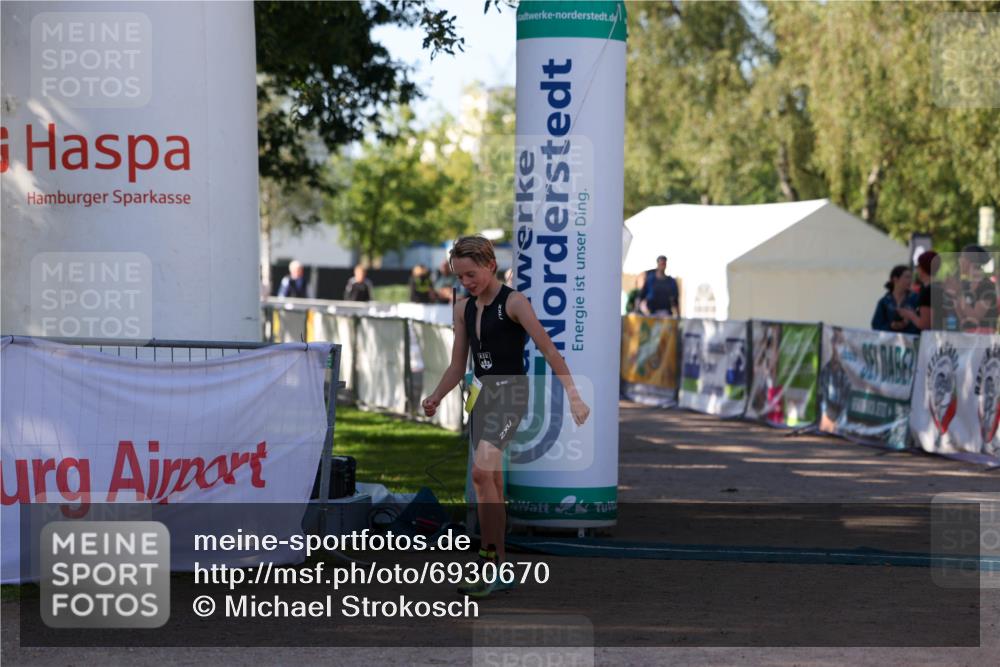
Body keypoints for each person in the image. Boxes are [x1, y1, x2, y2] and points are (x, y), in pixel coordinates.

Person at [421, 235, 590, 598]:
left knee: (480, 473)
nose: (466, 283)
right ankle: (497, 567)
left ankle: (487, 563)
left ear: (490, 265)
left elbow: (549, 349)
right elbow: (457, 365)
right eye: (460, 277)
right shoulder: (462, 308)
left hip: (511, 393)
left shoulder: (514, 302)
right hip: (480, 395)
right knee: (490, 481)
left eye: (471, 274)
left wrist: (574, 397)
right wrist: (436, 396)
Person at [952, 244, 997, 333]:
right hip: (967, 336)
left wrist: (959, 294)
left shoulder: (987, 285)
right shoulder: (966, 285)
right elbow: (963, 318)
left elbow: (976, 317)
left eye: (962, 257)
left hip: (983, 339)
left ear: (970, 261)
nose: (959, 260)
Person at [871, 265, 920, 334]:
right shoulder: (884, 301)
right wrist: (891, 326)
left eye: (911, 277)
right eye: (907, 277)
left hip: (910, 342)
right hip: (889, 343)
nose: (910, 280)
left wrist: (909, 323)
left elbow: (923, 324)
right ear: (895, 279)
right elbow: (876, 326)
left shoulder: (916, 299)